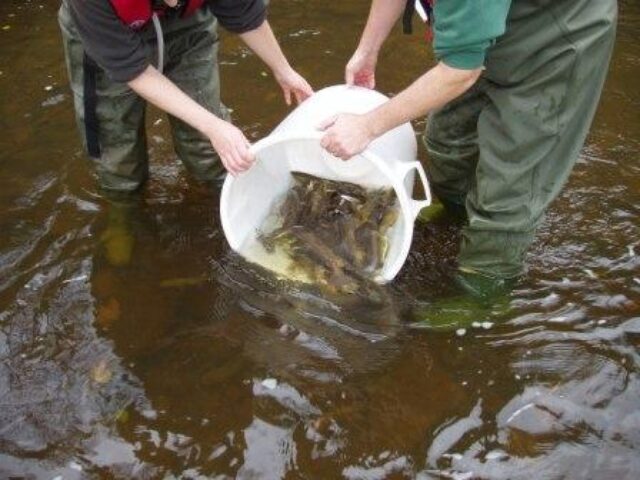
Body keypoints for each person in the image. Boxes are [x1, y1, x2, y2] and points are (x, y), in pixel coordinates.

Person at [319, 0, 617, 303]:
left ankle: (483, 288)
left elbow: (459, 73)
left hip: (554, 42)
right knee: (446, 141)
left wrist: (367, 126)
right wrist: (368, 49)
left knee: (510, 185)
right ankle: (458, 216)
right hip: (491, 28)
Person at [58, 0, 313, 194]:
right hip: (106, 32)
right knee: (116, 146)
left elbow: (244, 12)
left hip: (189, 24)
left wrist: (283, 70)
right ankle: (122, 212)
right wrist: (214, 126)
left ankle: (224, 196)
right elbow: (133, 70)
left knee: (208, 141)